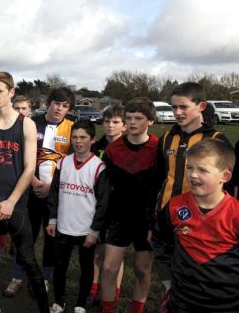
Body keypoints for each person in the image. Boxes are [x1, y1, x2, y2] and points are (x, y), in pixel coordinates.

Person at [0, 72, 50, 313]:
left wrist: (12, 201)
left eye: (0, 91)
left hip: (16, 205)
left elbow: (29, 168)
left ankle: (44, 307)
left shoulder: (26, 124)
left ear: (11, 92)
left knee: (27, 258)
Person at [154, 82, 230, 293]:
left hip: (200, 223)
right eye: (174, 107)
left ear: (201, 106)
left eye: (183, 107)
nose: (177, 112)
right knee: (168, 275)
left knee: (197, 279)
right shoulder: (167, 138)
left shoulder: (216, 140)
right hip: (167, 215)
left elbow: (226, 185)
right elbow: (160, 178)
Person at [153, 138, 239, 313]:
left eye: (202, 170)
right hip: (181, 302)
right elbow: (160, 241)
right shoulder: (174, 206)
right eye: (189, 167)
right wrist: (167, 279)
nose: (193, 174)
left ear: (225, 176)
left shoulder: (236, 214)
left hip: (228, 306)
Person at [6, 87, 75, 297]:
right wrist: (34, 181)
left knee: (51, 237)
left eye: (65, 106)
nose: (60, 109)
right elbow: (19, 156)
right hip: (30, 190)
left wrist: (51, 187)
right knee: (26, 235)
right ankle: (17, 277)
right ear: (48, 102)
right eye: (57, 103)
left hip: (56, 194)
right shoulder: (31, 123)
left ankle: (45, 279)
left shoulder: (73, 128)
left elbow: (73, 162)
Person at [100, 98, 159, 313]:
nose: (132, 122)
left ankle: (137, 309)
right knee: (108, 269)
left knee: (142, 271)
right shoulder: (114, 149)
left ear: (150, 121)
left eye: (138, 118)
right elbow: (104, 186)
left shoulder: (158, 148)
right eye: (129, 118)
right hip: (118, 217)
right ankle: (108, 309)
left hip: (145, 219)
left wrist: (155, 222)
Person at [46, 120, 109, 313]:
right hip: (63, 226)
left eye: (83, 137)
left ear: (92, 139)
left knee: (86, 268)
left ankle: (81, 303)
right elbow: (54, 194)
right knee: (60, 266)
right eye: (74, 137)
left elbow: (103, 203)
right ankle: (59, 301)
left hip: (85, 230)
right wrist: (52, 219)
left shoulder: (99, 167)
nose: (78, 141)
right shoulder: (62, 163)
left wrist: (94, 230)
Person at [89, 105, 126, 305]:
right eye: (107, 121)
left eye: (116, 122)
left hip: (119, 207)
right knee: (97, 249)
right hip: (97, 205)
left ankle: (115, 289)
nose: (110, 126)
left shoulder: (129, 147)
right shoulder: (97, 147)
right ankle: (94, 286)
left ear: (125, 126)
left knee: (115, 252)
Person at [0, 95, 33, 263]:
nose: (20, 111)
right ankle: (4, 245)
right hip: (11, 180)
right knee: (5, 217)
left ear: (30, 110)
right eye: (17, 108)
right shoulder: (8, 127)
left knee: (23, 218)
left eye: (24, 108)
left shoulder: (31, 127)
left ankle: (16, 245)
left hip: (32, 181)